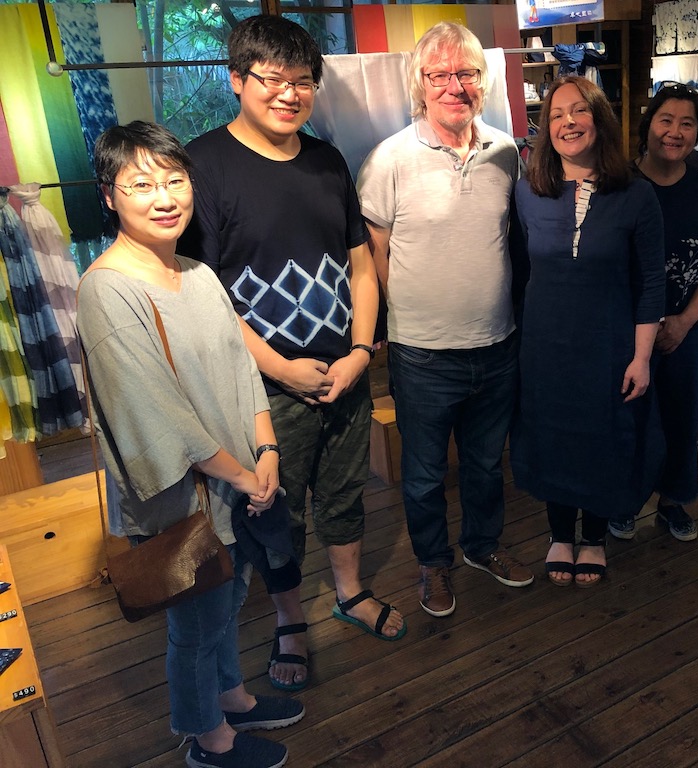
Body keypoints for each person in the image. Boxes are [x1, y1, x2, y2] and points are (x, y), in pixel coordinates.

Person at [180, 15, 405, 693]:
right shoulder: (202, 167)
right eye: (272, 79)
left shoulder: (326, 159)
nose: (289, 93)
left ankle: (349, 590)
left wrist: (362, 351)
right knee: (274, 509)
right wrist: (277, 367)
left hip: (345, 370)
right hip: (260, 387)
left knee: (343, 491)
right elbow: (204, 294)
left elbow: (361, 263)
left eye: (302, 80)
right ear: (237, 81)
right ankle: (287, 619)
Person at [79, 121, 304, 768]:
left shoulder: (199, 274)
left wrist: (267, 455)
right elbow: (156, 412)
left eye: (174, 179)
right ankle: (207, 738)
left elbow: (242, 371)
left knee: (230, 601)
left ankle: (230, 695)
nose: (164, 196)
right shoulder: (108, 288)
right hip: (188, 498)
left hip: (238, 483)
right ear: (109, 196)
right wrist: (241, 473)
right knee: (196, 622)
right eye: (141, 184)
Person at [358, 21, 534, 618]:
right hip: (423, 353)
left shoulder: (506, 151)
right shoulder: (390, 159)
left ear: (482, 83)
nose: (454, 86)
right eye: (440, 75)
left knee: (487, 464)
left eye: (466, 74)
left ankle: (483, 547)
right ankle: (434, 565)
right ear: (420, 84)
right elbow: (374, 252)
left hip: (497, 343)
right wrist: (395, 319)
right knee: (425, 474)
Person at [513, 76, 665, 587]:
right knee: (553, 438)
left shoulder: (637, 196)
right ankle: (559, 533)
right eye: (556, 115)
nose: (568, 123)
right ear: (545, 129)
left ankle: (595, 537)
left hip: (610, 346)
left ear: (599, 121)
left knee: (604, 439)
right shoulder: (527, 193)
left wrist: (642, 357)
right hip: (544, 346)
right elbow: (517, 274)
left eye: (579, 112)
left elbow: (650, 285)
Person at [608, 84, 698, 545]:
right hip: (624, 329)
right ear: (648, 124)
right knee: (629, 416)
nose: (675, 132)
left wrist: (684, 322)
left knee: (680, 416)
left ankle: (675, 500)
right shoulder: (620, 184)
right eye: (666, 120)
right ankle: (623, 500)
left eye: (687, 123)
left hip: (685, 327)